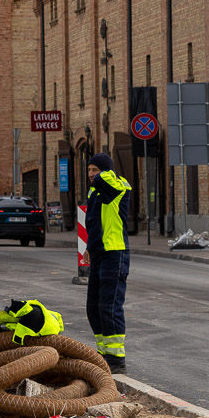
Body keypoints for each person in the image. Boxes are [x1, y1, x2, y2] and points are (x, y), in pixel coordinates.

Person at [83, 153, 131, 375]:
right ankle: (103, 353)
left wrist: (103, 171)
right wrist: (88, 249)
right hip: (100, 254)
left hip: (115, 253)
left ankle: (116, 359)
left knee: (110, 307)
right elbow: (94, 224)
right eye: (89, 170)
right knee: (94, 307)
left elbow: (105, 177)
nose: (92, 174)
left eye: (95, 169)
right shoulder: (96, 191)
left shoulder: (117, 186)